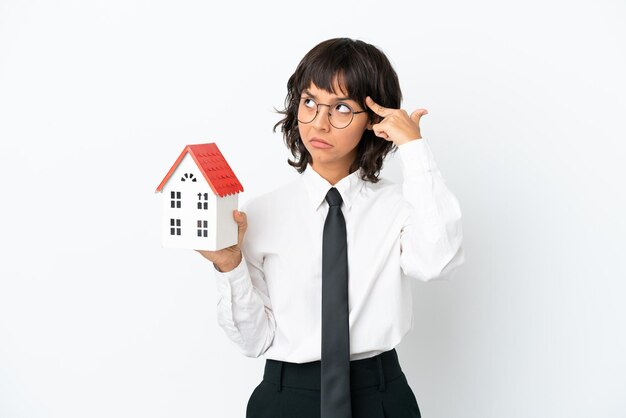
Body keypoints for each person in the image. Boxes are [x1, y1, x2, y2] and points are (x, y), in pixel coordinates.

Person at [197, 37, 465, 418]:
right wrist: (229, 266)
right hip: (286, 398)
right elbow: (253, 341)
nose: (320, 123)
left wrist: (413, 148)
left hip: (380, 397)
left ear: (373, 119)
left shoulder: (402, 206)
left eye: (341, 108)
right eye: (309, 102)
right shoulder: (259, 214)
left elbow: (438, 262)